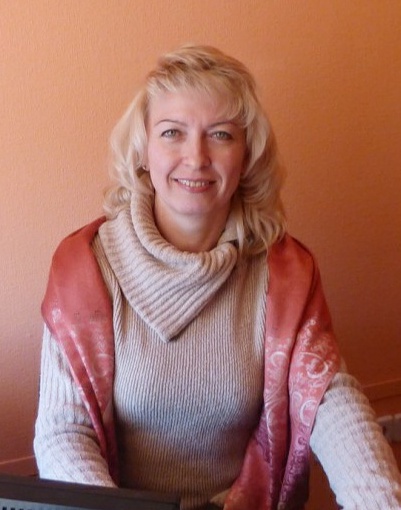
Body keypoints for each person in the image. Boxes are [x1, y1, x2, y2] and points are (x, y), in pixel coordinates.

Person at [34, 44, 401, 510]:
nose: (196, 158)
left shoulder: (284, 272)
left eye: (221, 135)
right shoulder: (84, 268)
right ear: (143, 150)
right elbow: (64, 432)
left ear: (246, 156)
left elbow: (329, 398)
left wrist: (379, 500)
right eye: (172, 132)